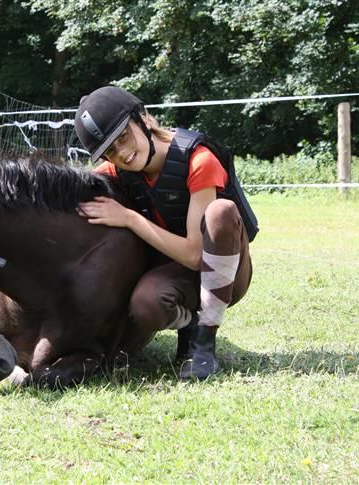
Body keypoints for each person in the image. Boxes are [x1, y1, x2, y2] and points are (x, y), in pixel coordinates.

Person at [74, 86, 259, 380]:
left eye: (123, 136)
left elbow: (195, 254)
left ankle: (204, 345)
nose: (123, 153)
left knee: (219, 211)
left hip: (226, 271)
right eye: (110, 151)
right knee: (145, 306)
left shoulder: (200, 160)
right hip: (177, 270)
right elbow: (76, 189)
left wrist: (130, 219)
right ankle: (189, 322)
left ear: (143, 119)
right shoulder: (115, 170)